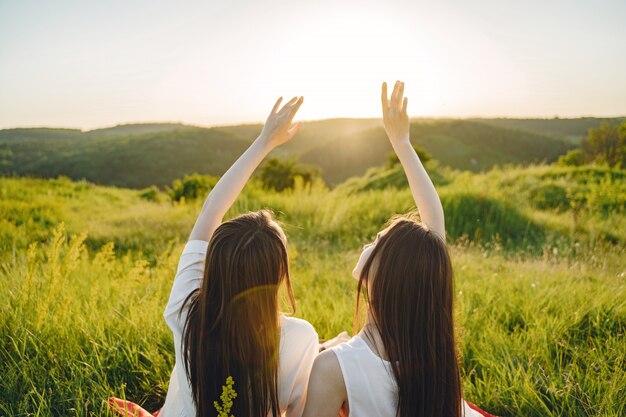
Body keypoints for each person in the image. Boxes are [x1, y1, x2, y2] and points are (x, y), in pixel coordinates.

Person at [111, 96, 318, 417]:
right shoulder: (301, 338)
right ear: (278, 275)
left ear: (214, 265)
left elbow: (212, 209)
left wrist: (265, 141)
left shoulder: (188, 312)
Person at [301, 81, 494, 417]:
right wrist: (401, 143)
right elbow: (433, 226)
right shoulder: (431, 343)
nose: (368, 242)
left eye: (377, 240)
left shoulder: (331, 368)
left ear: (386, 275)